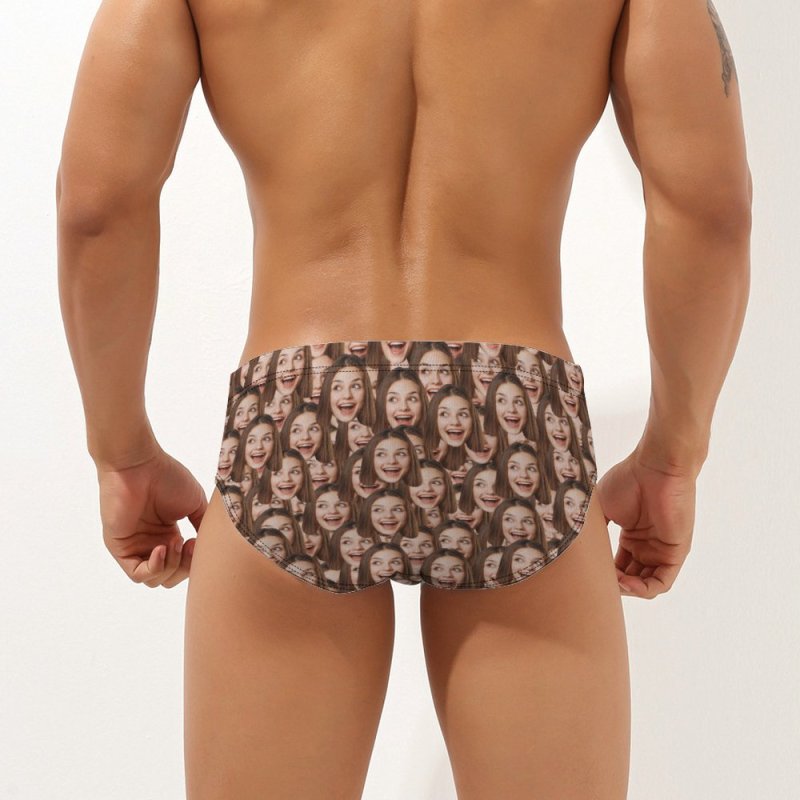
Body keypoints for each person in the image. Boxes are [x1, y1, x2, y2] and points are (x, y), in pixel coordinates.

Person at [56, 0, 751, 797]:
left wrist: (123, 453)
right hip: (514, 419)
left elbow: (97, 205)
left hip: (300, 415)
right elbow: (712, 210)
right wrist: (671, 457)